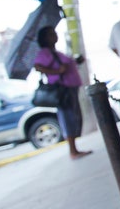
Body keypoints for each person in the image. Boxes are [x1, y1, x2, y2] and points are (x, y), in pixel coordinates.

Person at [34, 25, 92, 160]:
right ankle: (73, 150)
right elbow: (38, 67)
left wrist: (76, 61)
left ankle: (75, 148)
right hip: (63, 89)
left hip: (70, 87)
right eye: (51, 34)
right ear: (44, 38)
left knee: (74, 116)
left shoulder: (55, 52)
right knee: (68, 117)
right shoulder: (45, 53)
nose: (55, 35)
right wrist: (57, 71)